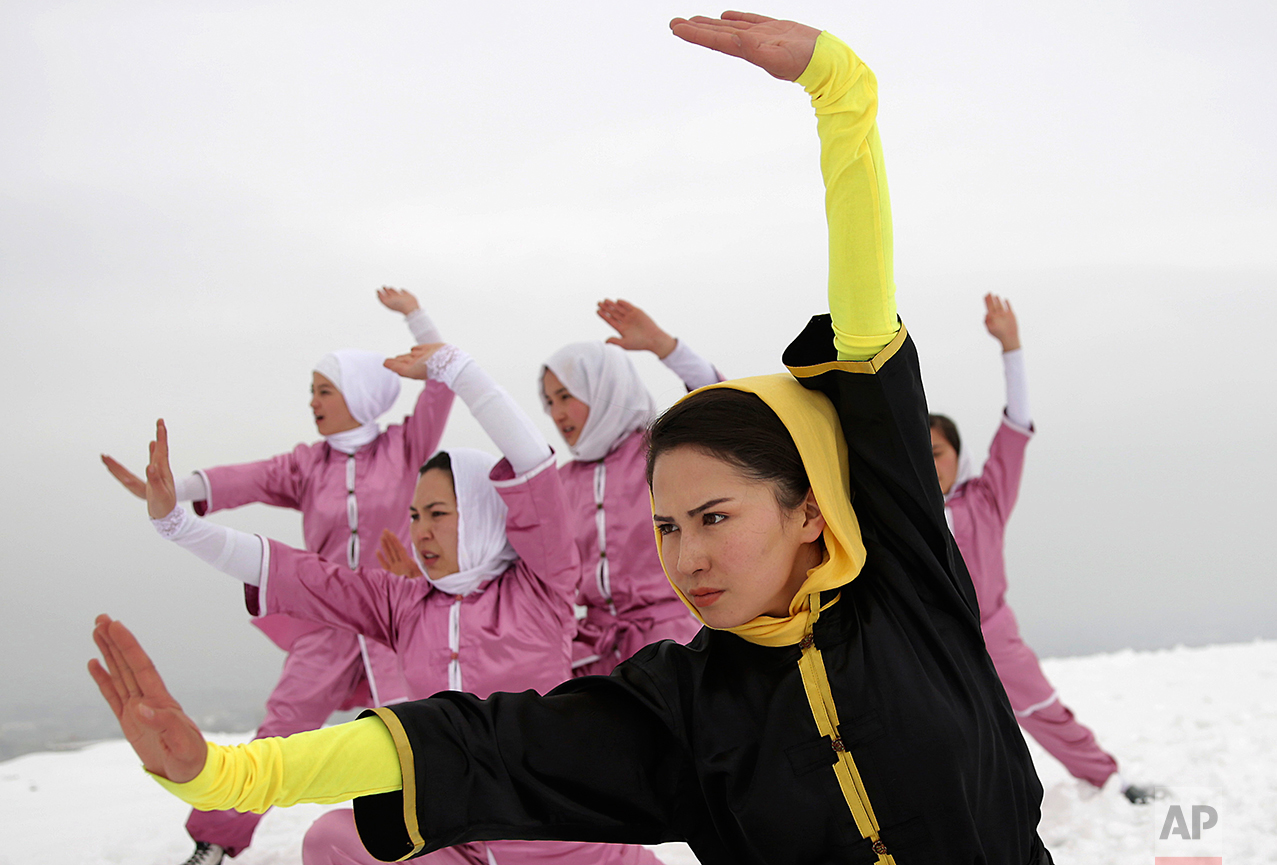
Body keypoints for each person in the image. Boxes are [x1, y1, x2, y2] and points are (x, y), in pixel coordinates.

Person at [89, 14, 1051, 864]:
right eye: (668, 525)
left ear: (809, 509)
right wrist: (228, 771)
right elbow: (473, 742)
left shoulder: (907, 591)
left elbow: (864, 334)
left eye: (712, 516)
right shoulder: (681, 708)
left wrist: (839, 94)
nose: (687, 554)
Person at [138, 340, 661, 865]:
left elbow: (532, 466)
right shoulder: (404, 604)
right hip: (455, 835)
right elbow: (300, 574)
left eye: (438, 513)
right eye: (413, 517)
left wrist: (458, 370)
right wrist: (179, 526)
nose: (421, 532)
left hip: (558, 835)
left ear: (482, 513)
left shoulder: (541, 588)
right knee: (331, 839)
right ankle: (216, 836)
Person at [99, 288, 454, 865]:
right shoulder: (306, 464)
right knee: (281, 730)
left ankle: (433, 843)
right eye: (311, 390)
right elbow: (246, 478)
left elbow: (441, 381)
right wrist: (169, 493)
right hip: (328, 618)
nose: (312, 401)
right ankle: (215, 842)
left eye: (324, 390)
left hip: (400, 617)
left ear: (360, 395)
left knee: (415, 730)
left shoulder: (406, 446)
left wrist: (417, 317)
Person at [931, 293, 1150, 804]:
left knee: (1043, 708)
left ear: (958, 456)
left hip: (993, 634)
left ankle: (1107, 779)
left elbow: (1015, 426)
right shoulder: (903, 513)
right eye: (919, 453)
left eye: (937, 451)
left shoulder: (985, 498)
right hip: (934, 639)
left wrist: (1011, 347)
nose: (929, 462)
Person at [545, 299, 719, 674]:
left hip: (676, 645)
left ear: (602, 388)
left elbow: (717, 405)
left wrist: (663, 346)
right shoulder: (562, 480)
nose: (556, 413)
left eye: (565, 396)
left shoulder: (660, 450)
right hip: (591, 655)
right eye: (548, 401)